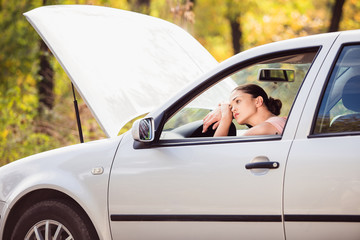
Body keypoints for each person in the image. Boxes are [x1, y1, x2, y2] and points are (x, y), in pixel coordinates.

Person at [202, 84, 286, 136]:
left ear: (258, 101)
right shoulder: (281, 121)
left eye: (238, 101)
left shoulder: (262, 130)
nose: (233, 109)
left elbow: (217, 154)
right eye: (230, 107)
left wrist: (226, 117)